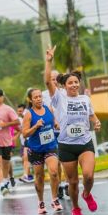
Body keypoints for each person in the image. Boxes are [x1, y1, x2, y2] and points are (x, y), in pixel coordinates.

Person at [45, 45, 101, 215]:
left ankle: (87, 194)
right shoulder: (59, 97)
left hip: (85, 142)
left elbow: (91, 115)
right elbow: (48, 82)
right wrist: (49, 61)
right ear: (64, 85)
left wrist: (96, 121)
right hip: (66, 145)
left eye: (76, 82)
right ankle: (76, 208)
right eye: (70, 82)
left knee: (89, 175)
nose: (74, 84)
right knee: (73, 182)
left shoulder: (85, 98)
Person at [22, 88, 63, 214]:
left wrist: (56, 124)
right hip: (35, 149)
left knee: (54, 172)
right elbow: (24, 134)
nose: (39, 99)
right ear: (31, 99)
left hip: (50, 146)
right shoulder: (28, 114)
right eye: (36, 97)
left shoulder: (49, 109)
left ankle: (55, 199)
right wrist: (36, 126)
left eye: (40, 96)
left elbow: (53, 120)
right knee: (39, 176)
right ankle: (40, 202)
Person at [42, 70, 69, 199]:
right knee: (56, 161)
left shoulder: (65, 92)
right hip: (51, 132)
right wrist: (53, 119)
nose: (54, 81)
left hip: (65, 130)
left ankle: (68, 183)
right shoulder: (43, 95)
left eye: (56, 78)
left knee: (66, 159)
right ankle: (58, 185)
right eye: (51, 78)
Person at [15, 104, 34, 183]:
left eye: (21, 111)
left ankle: (29, 175)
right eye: (18, 111)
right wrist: (15, 136)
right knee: (25, 158)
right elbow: (18, 129)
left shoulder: (28, 114)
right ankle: (27, 175)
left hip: (32, 140)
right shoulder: (18, 119)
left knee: (29, 159)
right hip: (25, 142)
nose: (19, 112)